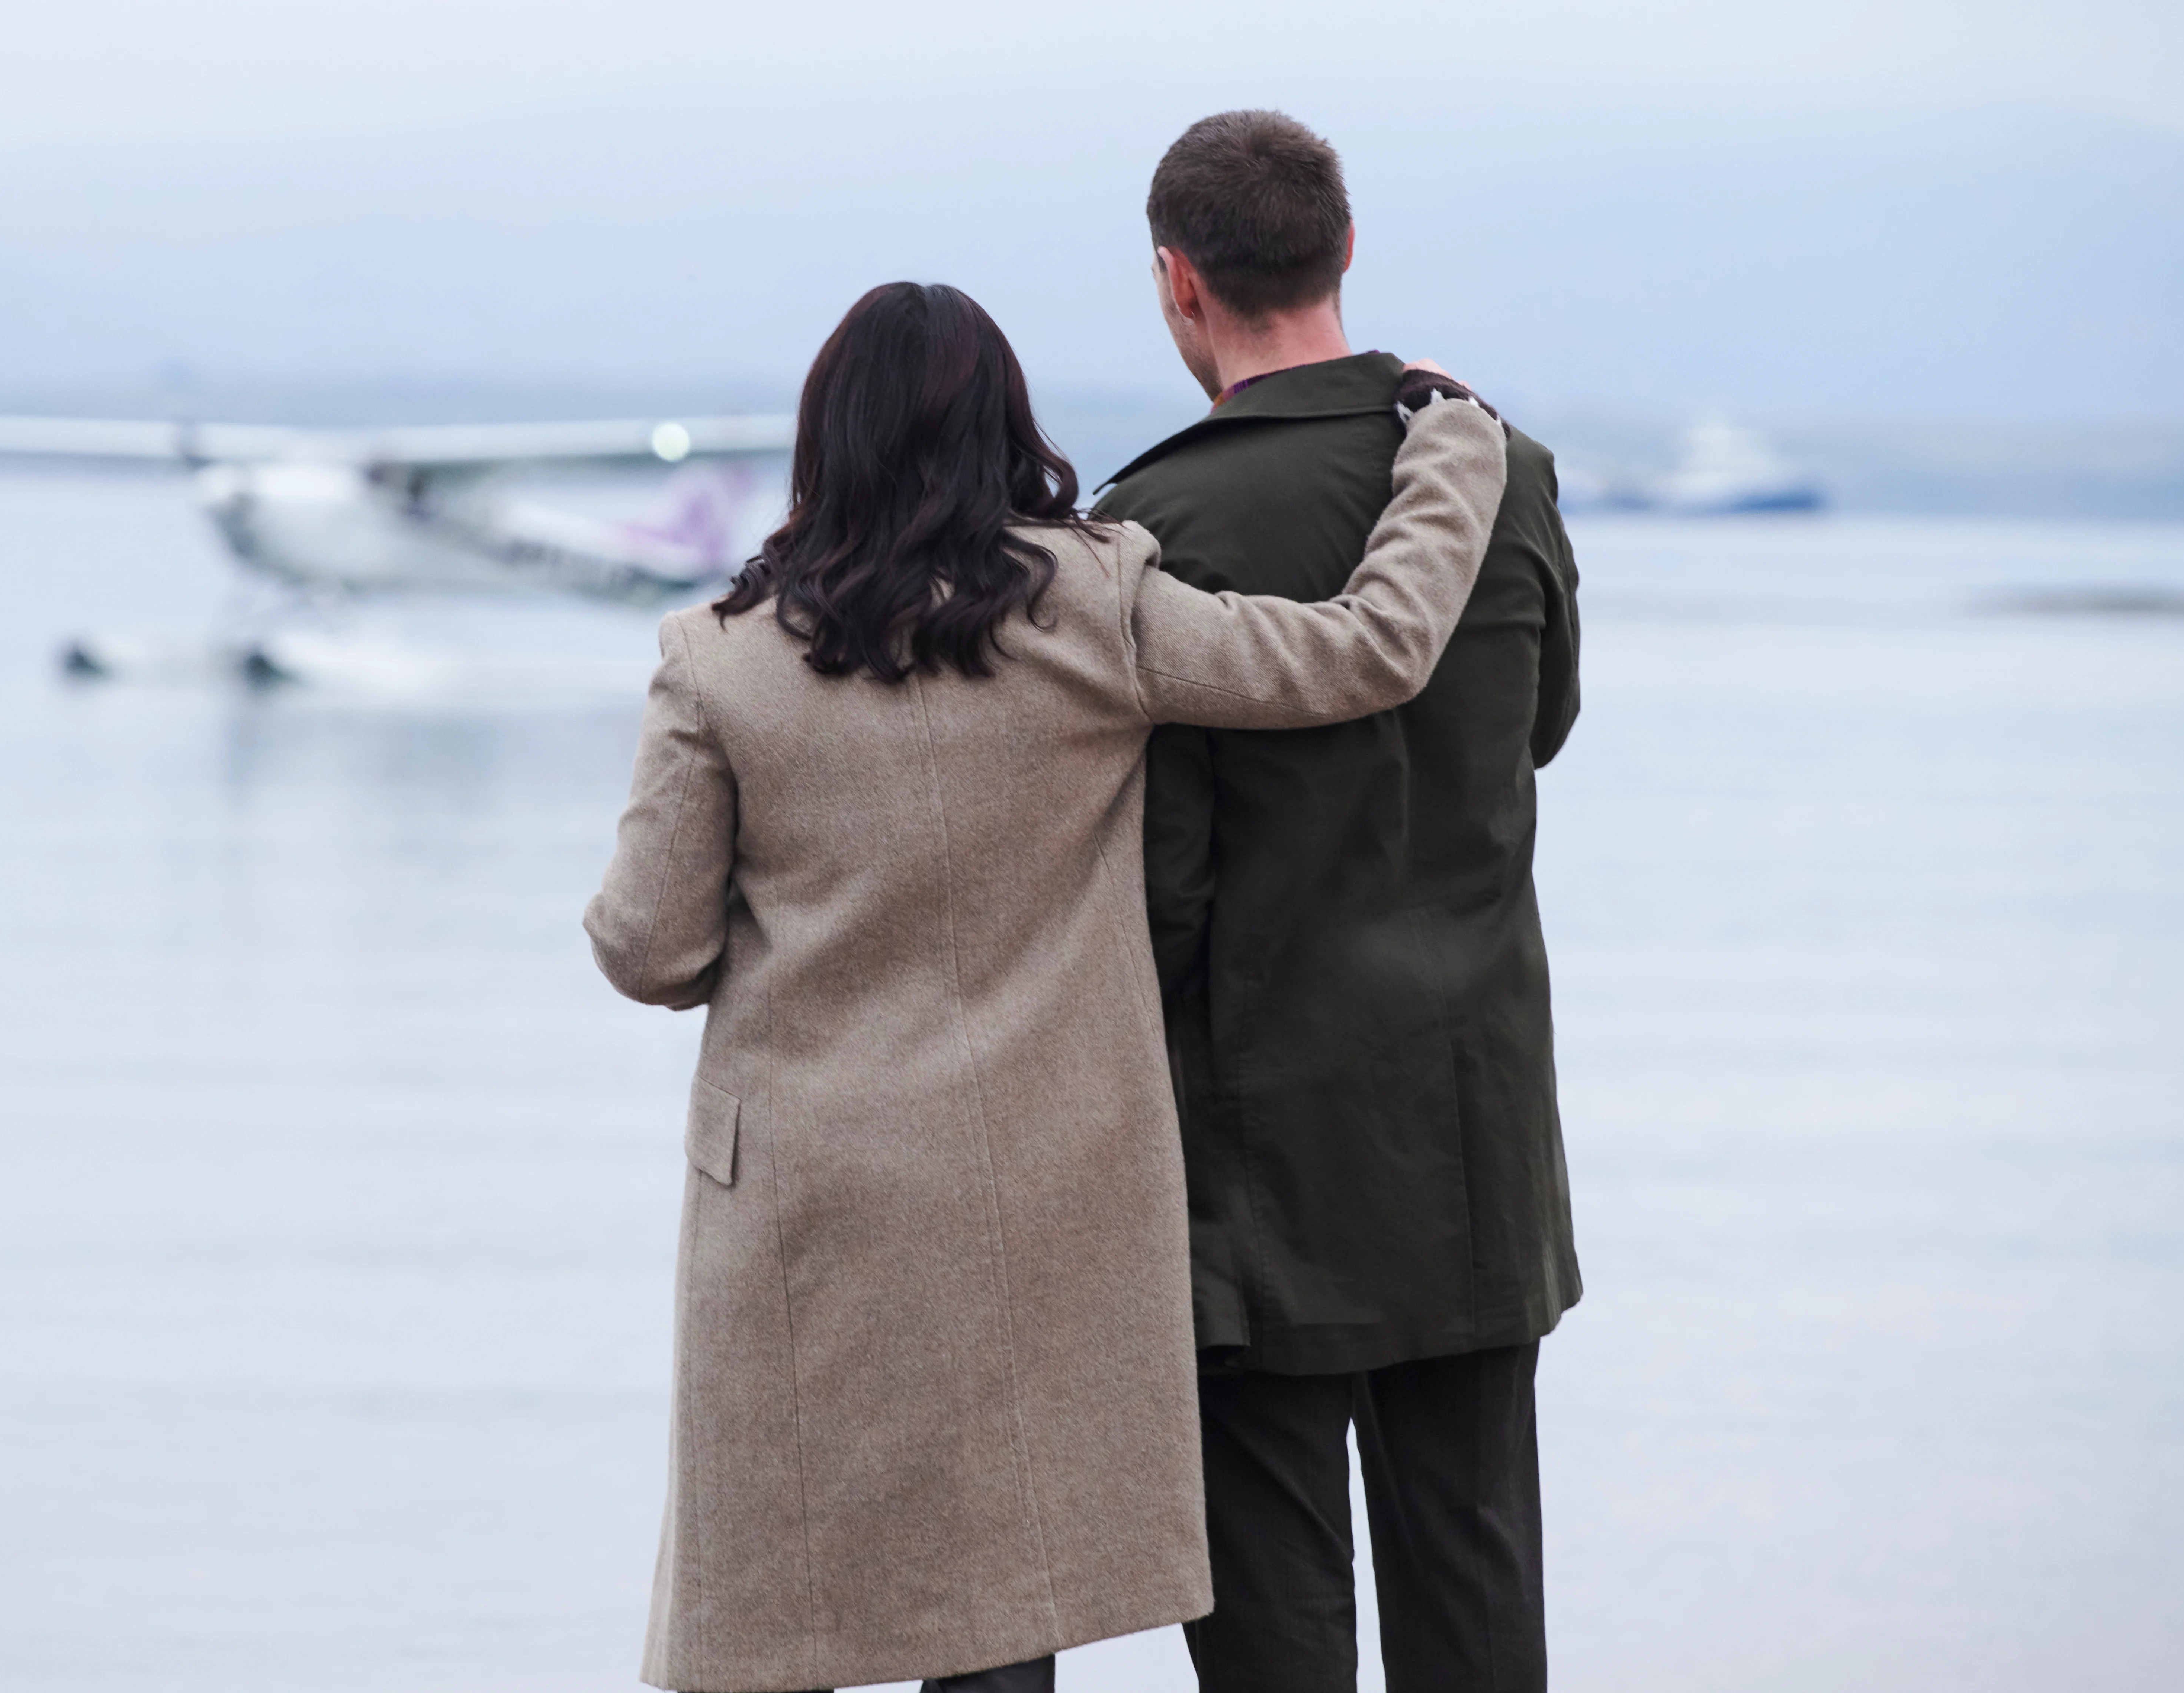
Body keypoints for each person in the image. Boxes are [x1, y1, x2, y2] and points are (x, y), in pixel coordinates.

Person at [584, 279, 1508, 1693]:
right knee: (994, 1608)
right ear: (1003, 431)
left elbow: (649, 951)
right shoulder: (1095, 608)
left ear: (820, 442)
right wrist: (1452, 443)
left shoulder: (719, 664)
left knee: (775, 1611)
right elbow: (1368, 649)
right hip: (1040, 1182)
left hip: (803, 1199)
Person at [1089, 112, 1584, 1693]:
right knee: (1476, 1582)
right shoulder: (1500, 472)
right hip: (1468, 1121)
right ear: (1344, 250)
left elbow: (1159, 875)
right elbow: (1541, 728)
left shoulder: (1155, 526)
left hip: (1250, 1150)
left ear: (1178, 282)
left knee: (1271, 1607)